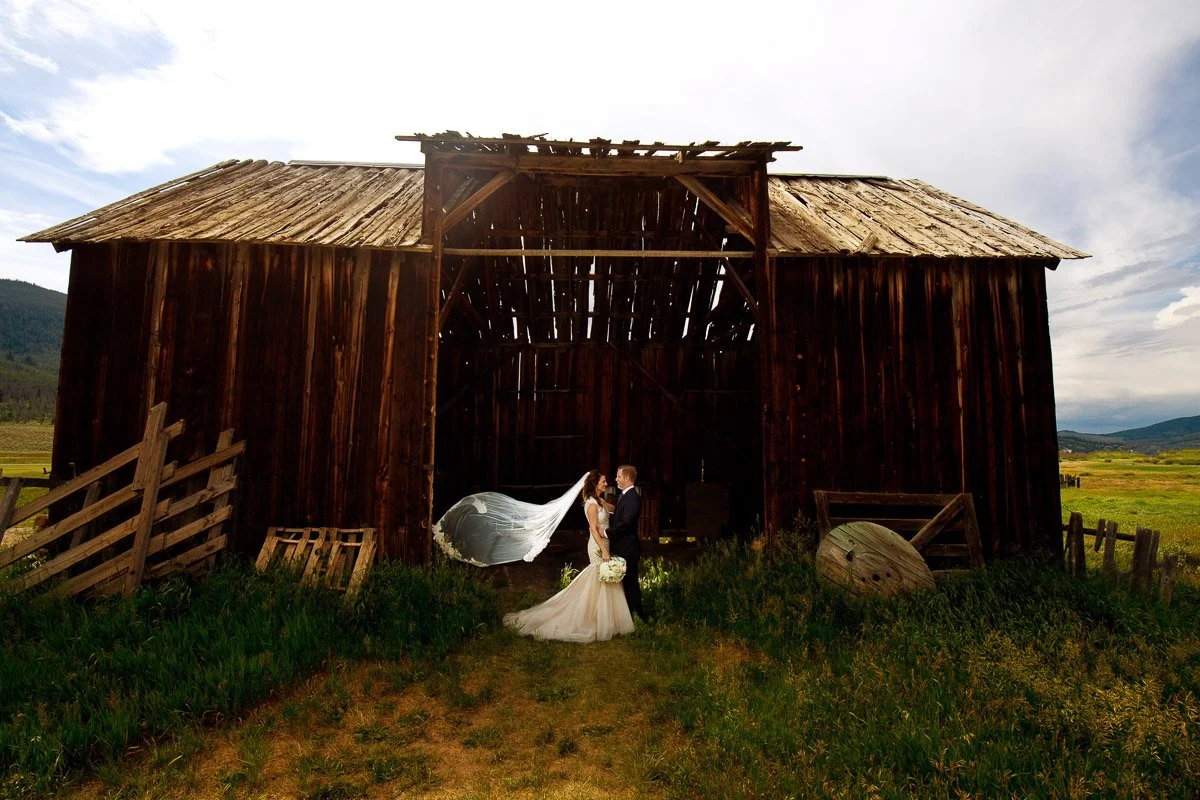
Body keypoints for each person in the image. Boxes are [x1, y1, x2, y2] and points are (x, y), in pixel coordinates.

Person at [503, 470, 635, 642]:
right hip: (597, 545)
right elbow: (593, 530)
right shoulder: (592, 504)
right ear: (595, 484)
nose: (606, 483)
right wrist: (603, 549)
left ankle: (604, 619)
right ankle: (589, 618)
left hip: (606, 542)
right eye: (603, 481)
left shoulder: (599, 501)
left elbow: (615, 511)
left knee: (604, 581)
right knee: (598, 579)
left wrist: (613, 504)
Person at [606, 464, 643, 619]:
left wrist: (605, 532)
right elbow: (620, 514)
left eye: (618, 476)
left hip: (628, 549)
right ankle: (627, 617)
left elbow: (625, 524)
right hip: (623, 548)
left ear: (627, 478)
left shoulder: (633, 498)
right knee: (626, 584)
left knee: (631, 586)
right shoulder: (625, 495)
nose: (616, 479)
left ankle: (638, 619)